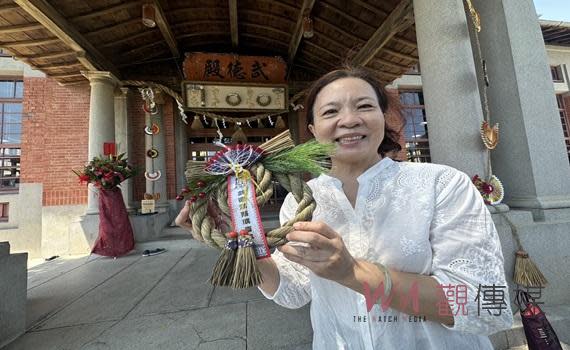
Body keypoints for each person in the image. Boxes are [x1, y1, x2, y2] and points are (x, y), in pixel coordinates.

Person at [256, 66, 513, 349]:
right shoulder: (300, 200)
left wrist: (352, 273)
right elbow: (294, 290)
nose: (349, 120)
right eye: (330, 112)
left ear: (383, 117)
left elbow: (483, 305)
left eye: (364, 106)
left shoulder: (442, 184)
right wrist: (244, 246)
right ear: (314, 131)